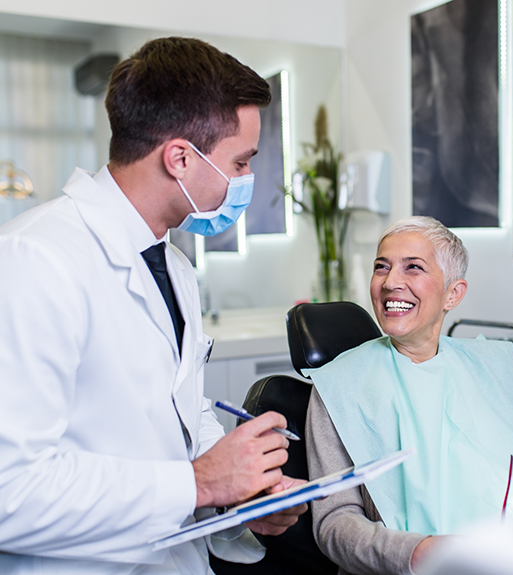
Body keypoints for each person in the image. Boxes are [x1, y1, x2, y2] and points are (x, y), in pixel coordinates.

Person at [0, 37, 306, 575]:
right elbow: (10, 492)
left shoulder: (173, 266)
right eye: (239, 163)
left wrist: (242, 492)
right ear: (181, 158)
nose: (244, 182)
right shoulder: (35, 259)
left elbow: (178, 414)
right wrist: (199, 483)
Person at [305, 216, 513, 575]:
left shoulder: (497, 365)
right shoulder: (339, 386)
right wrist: (416, 552)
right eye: (381, 267)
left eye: (412, 268)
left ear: (453, 294)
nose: (390, 283)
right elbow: (334, 522)